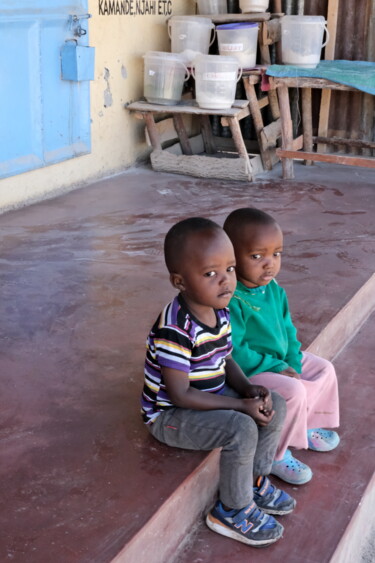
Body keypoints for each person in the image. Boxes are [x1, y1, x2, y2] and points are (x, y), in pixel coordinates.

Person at [141, 217, 296, 548]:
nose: (225, 281)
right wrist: (240, 404)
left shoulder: (220, 308)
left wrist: (248, 389)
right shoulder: (176, 328)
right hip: (170, 416)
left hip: (209, 394)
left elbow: (225, 359)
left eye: (229, 269)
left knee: (275, 402)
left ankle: (254, 480)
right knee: (241, 427)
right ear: (179, 281)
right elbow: (180, 395)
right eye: (210, 274)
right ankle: (232, 509)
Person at [223, 207, 340, 486]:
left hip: (277, 361)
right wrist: (278, 367)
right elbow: (235, 351)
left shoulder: (274, 288)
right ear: (231, 257)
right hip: (250, 370)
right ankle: (277, 453)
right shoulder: (230, 297)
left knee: (323, 369)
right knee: (293, 391)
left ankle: (308, 424)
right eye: (256, 256)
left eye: (276, 254)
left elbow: (288, 331)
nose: (269, 264)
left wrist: (293, 362)